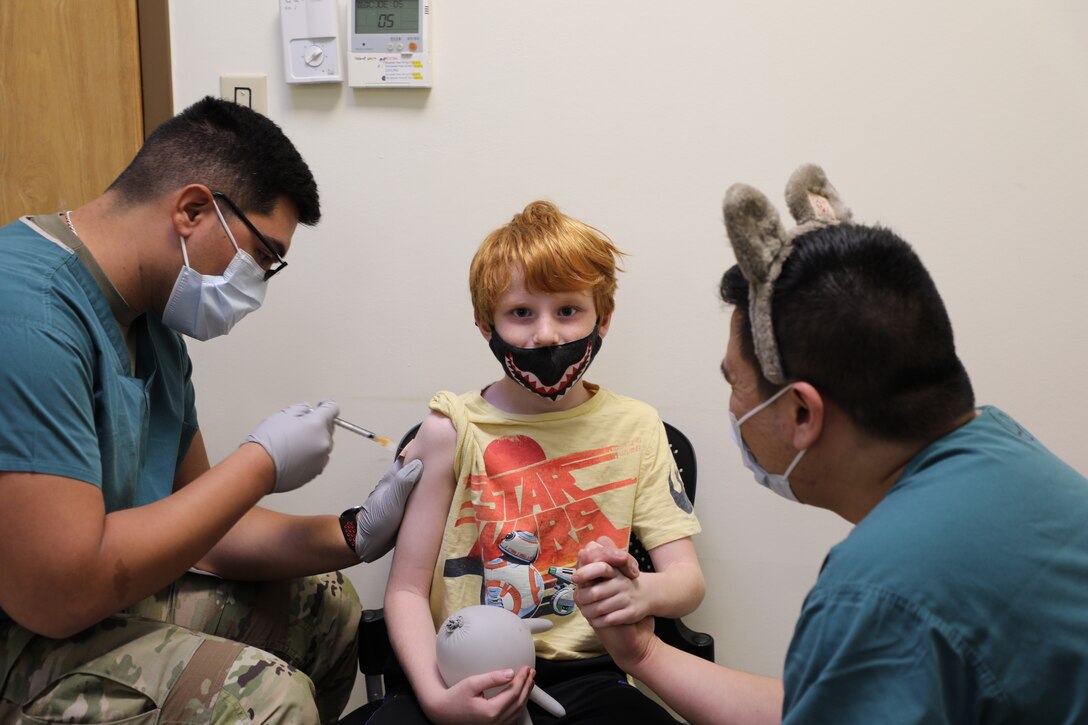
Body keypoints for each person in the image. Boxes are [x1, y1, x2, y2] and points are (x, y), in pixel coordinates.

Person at [573, 164, 1088, 724]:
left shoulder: (878, 593)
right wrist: (643, 653)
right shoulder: (1008, 451)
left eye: (734, 383)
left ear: (800, 413)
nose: (733, 408)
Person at [0, 96, 422, 723]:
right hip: (25, 627)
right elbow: (55, 598)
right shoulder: (28, 316)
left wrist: (355, 532)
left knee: (323, 609)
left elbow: (210, 533)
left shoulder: (153, 323)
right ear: (193, 210)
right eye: (262, 258)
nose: (258, 284)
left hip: (84, 600)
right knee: (263, 696)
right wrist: (260, 462)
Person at [372, 200, 705, 724]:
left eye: (568, 310)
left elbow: (686, 582)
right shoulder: (450, 429)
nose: (546, 335)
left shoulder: (638, 427)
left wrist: (638, 590)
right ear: (487, 325)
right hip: (458, 672)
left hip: (589, 674)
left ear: (605, 318)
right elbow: (407, 590)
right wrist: (439, 702)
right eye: (521, 313)